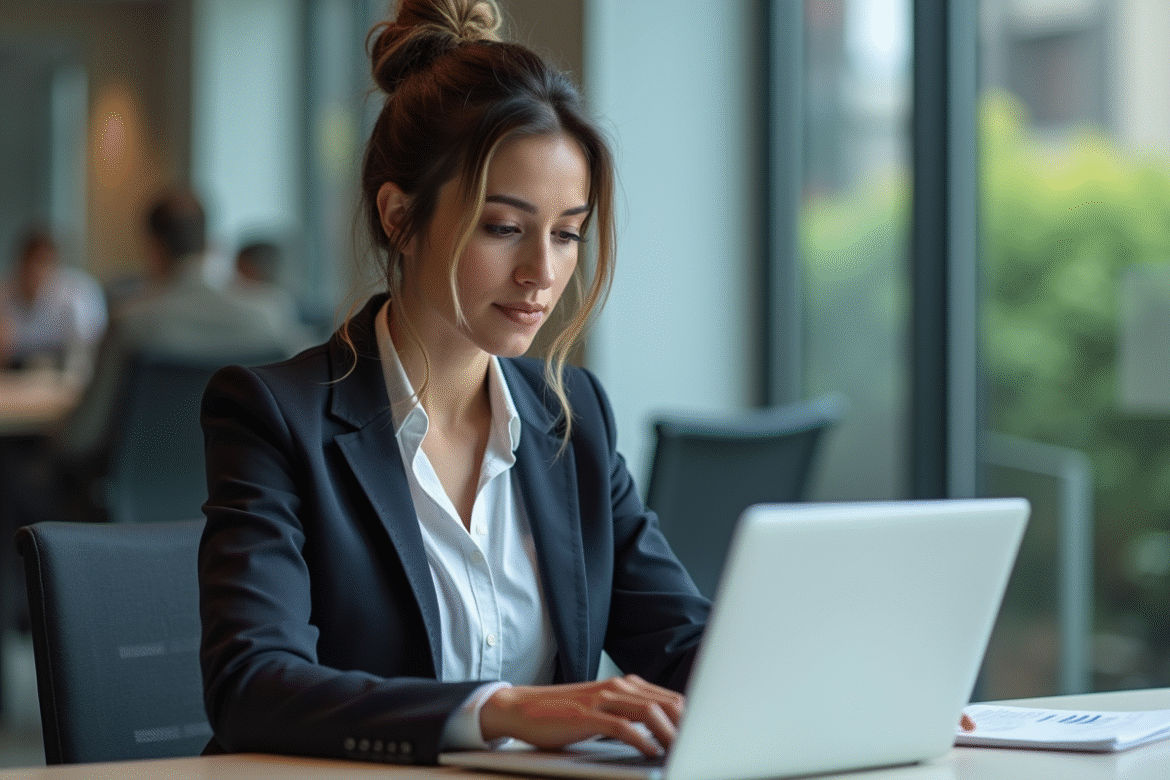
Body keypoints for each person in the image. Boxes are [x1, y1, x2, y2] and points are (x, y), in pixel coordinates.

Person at [197, 0, 709, 766]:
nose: (543, 273)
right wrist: (506, 711)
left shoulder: (573, 419)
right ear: (400, 217)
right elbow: (254, 686)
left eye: (567, 233)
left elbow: (679, 644)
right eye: (504, 227)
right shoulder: (276, 416)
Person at [0, 226, 107, 376]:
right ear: (20, 262)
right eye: (30, 262)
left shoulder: (77, 292)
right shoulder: (4, 291)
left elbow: (91, 347)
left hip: (66, 373)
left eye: (43, 262)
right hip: (15, 375)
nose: (35, 270)